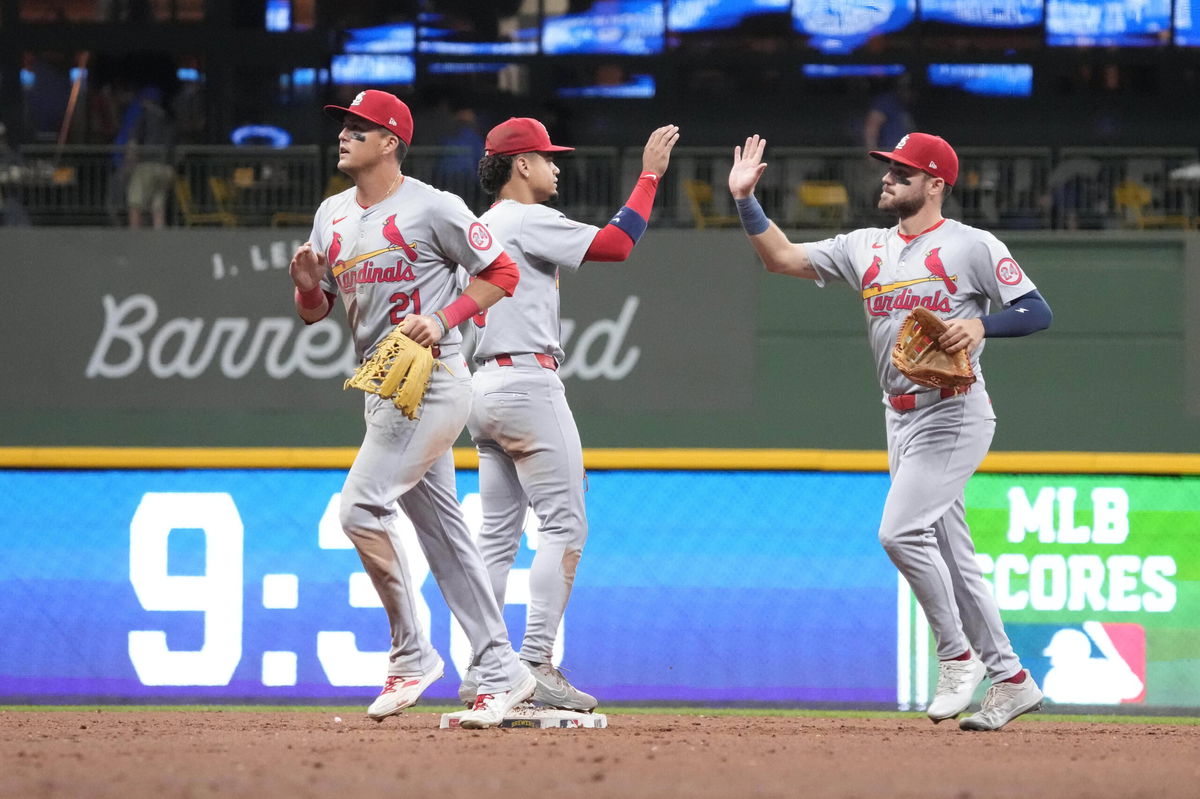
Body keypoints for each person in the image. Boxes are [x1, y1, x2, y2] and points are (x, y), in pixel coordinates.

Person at [728, 131, 1053, 732]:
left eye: (904, 171)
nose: (888, 177)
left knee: (900, 532)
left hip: (953, 409)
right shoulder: (864, 246)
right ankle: (1010, 679)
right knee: (956, 560)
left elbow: (1037, 311)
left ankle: (957, 656)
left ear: (936, 184)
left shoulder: (971, 246)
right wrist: (747, 200)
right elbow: (781, 258)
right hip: (898, 414)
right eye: (888, 168)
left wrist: (982, 328)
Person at [288, 89, 535, 729]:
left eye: (358, 127)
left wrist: (446, 315)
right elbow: (318, 315)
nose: (344, 133)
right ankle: (502, 670)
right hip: (383, 387)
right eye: (343, 125)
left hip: (435, 380)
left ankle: (411, 655)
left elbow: (501, 273)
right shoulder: (332, 215)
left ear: (391, 141)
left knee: (360, 507)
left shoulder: (433, 206)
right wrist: (308, 286)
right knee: (447, 539)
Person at [457, 118, 679, 710]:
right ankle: (533, 662)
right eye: (548, 158)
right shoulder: (525, 217)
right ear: (521, 165)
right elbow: (617, 244)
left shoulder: (475, 229)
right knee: (564, 526)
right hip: (529, 383)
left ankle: (485, 667)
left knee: (497, 537)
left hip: (482, 385)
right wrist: (650, 177)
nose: (556, 167)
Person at [124, 87, 176, 229]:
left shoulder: (144, 116)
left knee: (135, 201)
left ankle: (135, 236)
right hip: (165, 167)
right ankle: (159, 240)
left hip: (146, 164)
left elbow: (133, 143)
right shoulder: (168, 118)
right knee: (158, 206)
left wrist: (129, 164)